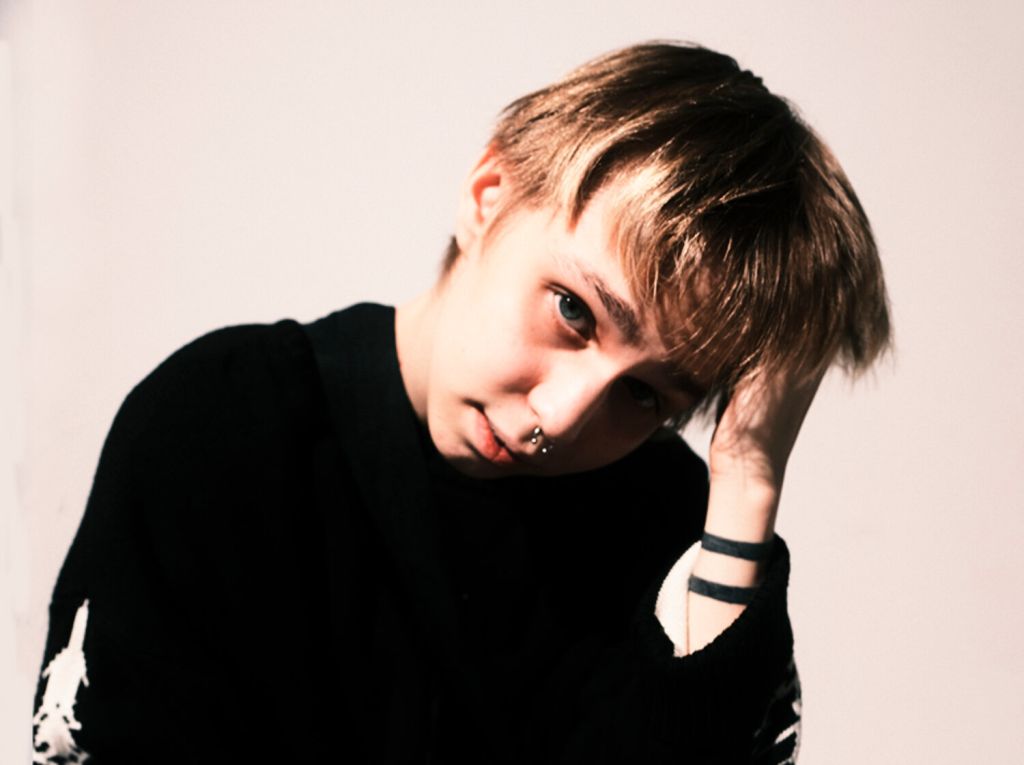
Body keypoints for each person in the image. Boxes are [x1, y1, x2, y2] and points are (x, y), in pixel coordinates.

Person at [32, 42, 890, 764]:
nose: (561, 419)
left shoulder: (662, 524)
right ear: (490, 196)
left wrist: (747, 478)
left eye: (644, 393)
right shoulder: (222, 429)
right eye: (574, 311)